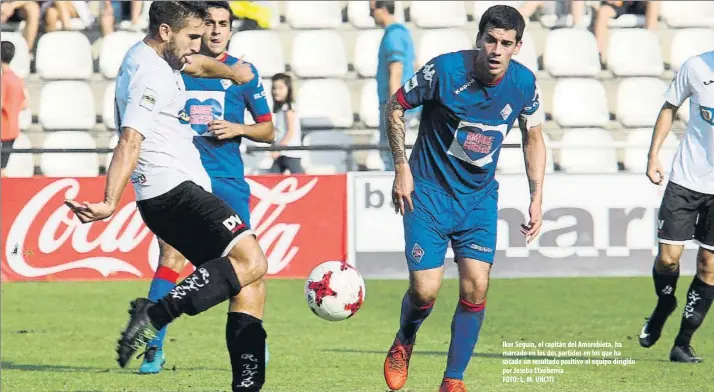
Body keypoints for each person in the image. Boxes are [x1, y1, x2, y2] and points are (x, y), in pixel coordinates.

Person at [64, 2, 269, 391]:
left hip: (174, 191)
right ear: (164, 32)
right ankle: (156, 314)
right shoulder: (151, 76)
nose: (200, 44)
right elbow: (129, 139)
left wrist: (230, 72)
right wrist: (110, 202)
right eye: (192, 36)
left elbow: (196, 66)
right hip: (172, 191)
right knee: (252, 260)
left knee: (249, 282)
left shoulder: (152, 55)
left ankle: (247, 386)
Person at [381, 5, 546, 391]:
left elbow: (533, 137)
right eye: (491, 39)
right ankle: (405, 340)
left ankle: (453, 380)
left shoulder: (524, 84)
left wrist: (537, 196)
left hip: (478, 201)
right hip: (429, 194)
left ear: (517, 47)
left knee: (476, 286)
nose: (496, 49)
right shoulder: (445, 70)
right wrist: (401, 168)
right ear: (479, 39)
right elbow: (395, 106)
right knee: (425, 291)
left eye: (506, 43)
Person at [137, 0, 275, 375]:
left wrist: (239, 129)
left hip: (228, 182)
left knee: (250, 270)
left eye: (223, 24)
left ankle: (249, 347)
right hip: (182, 180)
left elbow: (269, 129)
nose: (215, 30)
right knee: (171, 258)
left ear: (231, 29)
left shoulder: (244, 73)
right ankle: (153, 344)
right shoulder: (178, 64)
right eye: (209, 23)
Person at [639, 51, 714, 364]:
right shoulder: (696, 66)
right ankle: (664, 303)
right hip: (684, 181)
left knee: (709, 266)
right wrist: (653, 155)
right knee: (669, 260)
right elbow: (669, 108)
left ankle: (682, 344)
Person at [370, 0, 416, 172]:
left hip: (395, 103)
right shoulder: (404, 33)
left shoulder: (393, 35)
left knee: (389, 152)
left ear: (382, 10)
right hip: (405, 102)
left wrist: (393, 106)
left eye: (372, 10)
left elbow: (396, 70)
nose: (371, 15)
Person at [269, 73, 304, 174]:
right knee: (272, 178)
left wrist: (278, 149)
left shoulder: (289, 108)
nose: (276, 91)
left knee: (300, 179)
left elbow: (290, 131)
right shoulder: (280, 109)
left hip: (291, 153)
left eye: (280, 88)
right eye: (274, 88)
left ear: (288, 89)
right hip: (282, 153)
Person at [1, 41, 27, 177]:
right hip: (12, 128)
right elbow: (25, 103)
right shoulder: (17, 78)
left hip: (3, 128)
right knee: (3, 167)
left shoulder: (3, 79)